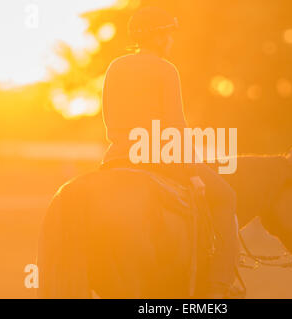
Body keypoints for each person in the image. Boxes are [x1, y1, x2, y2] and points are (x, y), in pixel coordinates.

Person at [101, 6, 239, 298]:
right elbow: (176, 125)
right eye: (169, 34)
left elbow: (108, 119)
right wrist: (191, 171)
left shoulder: (115, 67)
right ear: (159, 37)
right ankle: (221, 285)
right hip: (158, 158)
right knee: (226, 195)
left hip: (115, 158)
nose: (172, 41)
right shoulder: (166, 69)